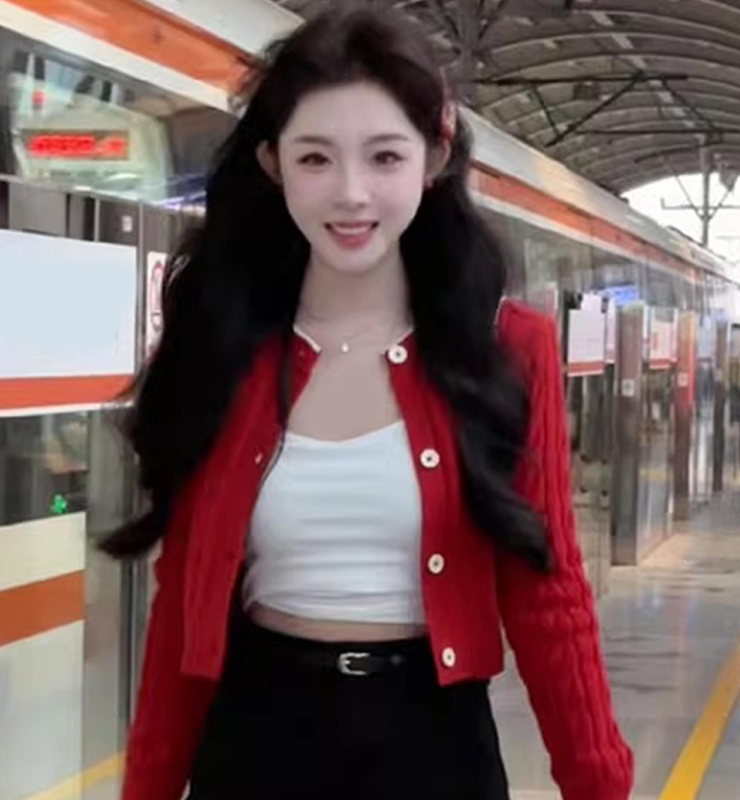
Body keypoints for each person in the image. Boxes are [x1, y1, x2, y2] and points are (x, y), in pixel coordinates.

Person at [103, 7, 633, 800]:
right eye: (316, 158)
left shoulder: (508, 347)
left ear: (434, 157)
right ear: (273, 163)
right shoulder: (228, 344)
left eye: (385, 156)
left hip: (436, 753)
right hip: (255, 746)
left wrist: (601, 787)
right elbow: (183, 600)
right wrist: (146, 788)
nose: (351, 194)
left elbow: (548, 592)